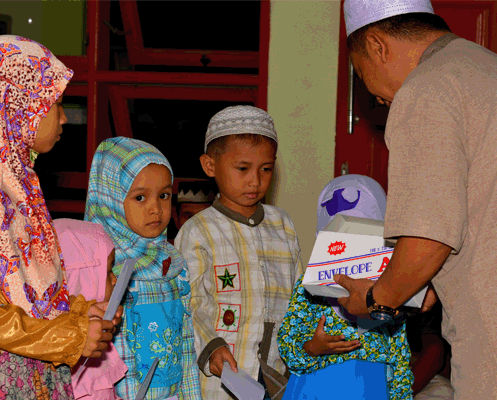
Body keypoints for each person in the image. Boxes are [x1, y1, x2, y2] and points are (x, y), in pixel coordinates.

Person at [334, 1, 497, 398]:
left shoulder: (426, 89)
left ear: (377, 46)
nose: (373, 95)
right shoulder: (486, 67)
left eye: (360, 74)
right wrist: (429, 282)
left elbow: (428, 240)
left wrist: (376, 299)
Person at [0, 35, 121, 399]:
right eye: (55, 103)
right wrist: (66, 336)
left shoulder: (18, 188)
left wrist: (81, 314)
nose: (63, 117)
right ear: (16, 104)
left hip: (37, 370)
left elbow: (26, 295)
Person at [174, 105, 303, 400]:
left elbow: (299, 296)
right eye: (242, 169)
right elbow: (186, 303)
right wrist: (211, 346)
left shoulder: (282, 225)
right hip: (220, 379)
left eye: (266, 169)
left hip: (275, 374)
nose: (255, 180)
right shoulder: (198, 231)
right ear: (209, 166)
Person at [84, 137, 202, 400]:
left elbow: (185, 344)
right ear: (110, 199)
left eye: (164, 196)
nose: (156, 209)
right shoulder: (103, 270)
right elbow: (109, 358)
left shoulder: (173, 264)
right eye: (140, 197)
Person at [278, 175, 413, 400]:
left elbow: (400, 361)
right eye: (341, 236)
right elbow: (287, 341)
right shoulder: (310, 287)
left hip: (373, 390)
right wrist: (312, 347)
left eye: (364, 235)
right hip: (316, 390)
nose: (352, 246)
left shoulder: (390, 292)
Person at [54, 219, 128, 400]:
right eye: (108, 270)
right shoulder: (64, 352)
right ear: (81, 277)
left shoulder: (92, 338)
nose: (115, 280)